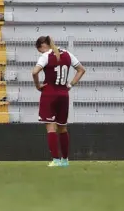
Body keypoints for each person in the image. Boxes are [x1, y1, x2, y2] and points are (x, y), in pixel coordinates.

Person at [32, 36, 86, 167]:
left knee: (50, 127)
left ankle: (55, 160)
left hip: (49, 94)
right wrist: (70, 84)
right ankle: (65, 160)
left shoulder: (46, 56)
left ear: (42, 46)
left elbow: (34, 72)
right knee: (62, 127)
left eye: (39, 50)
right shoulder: (68, 54)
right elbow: (81, 70)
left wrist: (38, 86)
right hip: (64, 94)